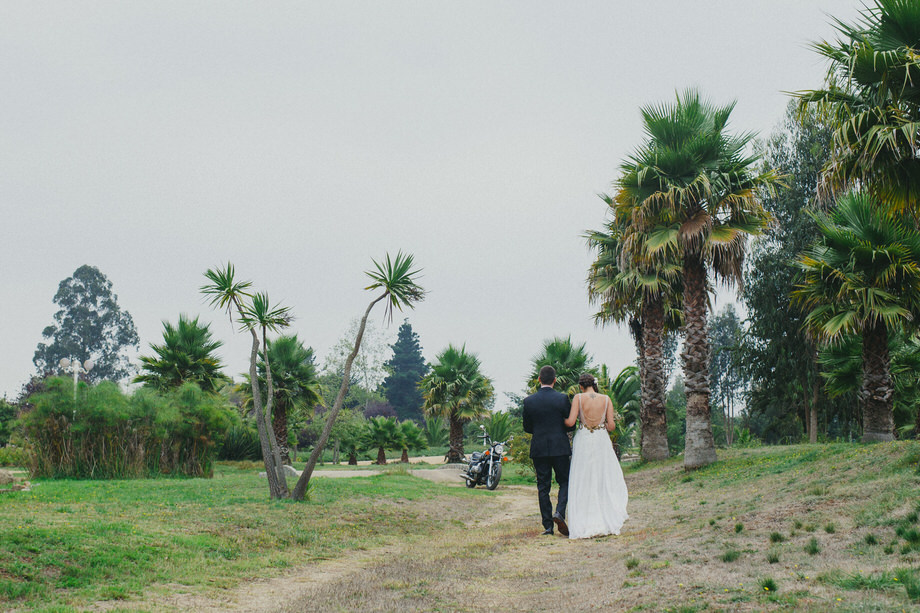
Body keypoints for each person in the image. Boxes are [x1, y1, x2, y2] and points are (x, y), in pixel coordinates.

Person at [564, 372, 629, 539]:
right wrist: (602, 422)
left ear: (581, 385)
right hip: (601, 438)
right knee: (601, 475)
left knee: (584, 476)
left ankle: (585, 517)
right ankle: (605, 514)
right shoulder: (606, 399)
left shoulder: (578, 398)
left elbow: (571, 422)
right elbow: (612, 426)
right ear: (594, 384)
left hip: (584, 438)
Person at [522, 365, 573, 536]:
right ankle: (559, 512)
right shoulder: (562, 398)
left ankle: (548, 526)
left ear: (538, 379)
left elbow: (527, 427)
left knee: (543, 486)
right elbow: (570, 423)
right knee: (565, 481)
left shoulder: (529, 401)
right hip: (560, 447)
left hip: (539, 448)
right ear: (555, 380)